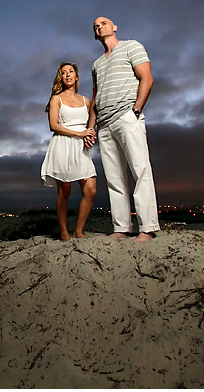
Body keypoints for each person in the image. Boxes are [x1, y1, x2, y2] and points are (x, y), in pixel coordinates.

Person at [90, 17, 160, 242]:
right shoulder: (97, 64)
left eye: (103, 23)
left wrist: (137, 109)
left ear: (114, 27)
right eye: (95, 26)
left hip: (127, 116)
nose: (99, 26)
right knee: (114, 178)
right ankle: (121, 227)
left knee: (140, 170)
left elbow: (146, 78)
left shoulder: (131, 46)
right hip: (104, 124)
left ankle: (147, 228)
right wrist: (91, 126)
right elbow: (95, 96)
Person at [40, 62, 98, 241]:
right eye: (63, 73)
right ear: (60, 77)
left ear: (77, 76)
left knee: (90, 190)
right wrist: (79, 133)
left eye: (71, 71)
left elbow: (90, 122)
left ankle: (78, 231)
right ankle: (64, 232)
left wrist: (89, 134)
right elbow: (53, 126)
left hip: (80, 149)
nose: (67, 75)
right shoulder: (56, 99)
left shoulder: (85, 100)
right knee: (64, 192)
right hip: (62, 145)